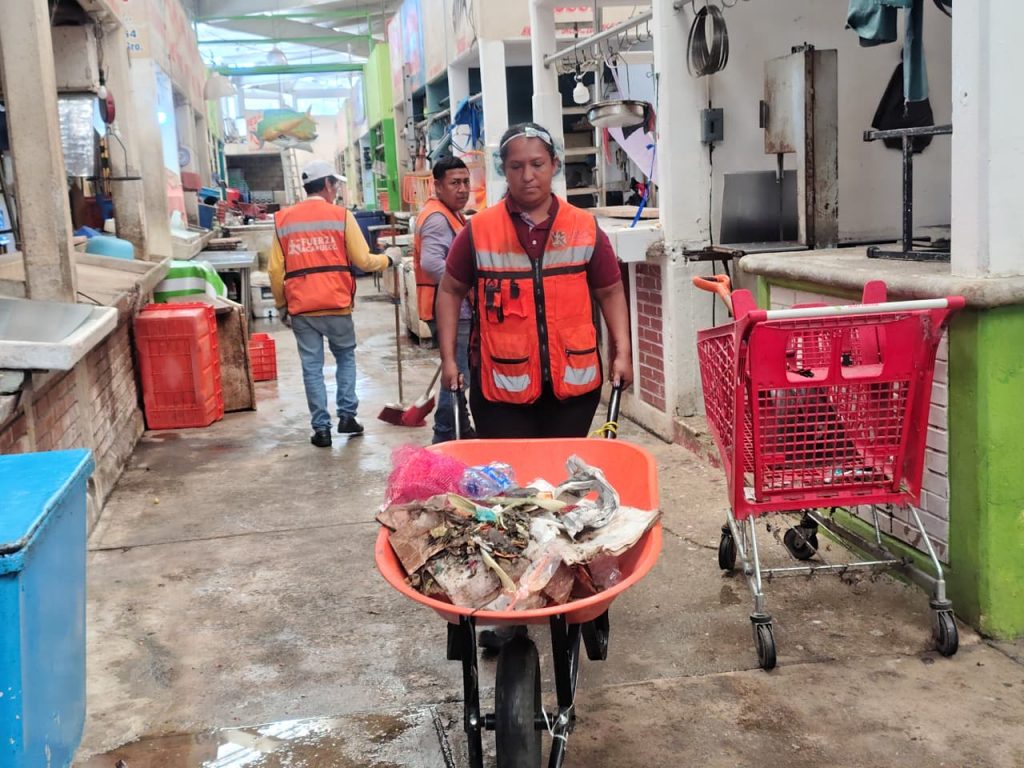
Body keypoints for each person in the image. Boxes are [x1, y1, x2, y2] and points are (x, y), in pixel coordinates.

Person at [434, 122, 633, 440]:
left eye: (537, 164)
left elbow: (610, 292)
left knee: (561, 469)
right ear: (503, 169)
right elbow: (449, 291)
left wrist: (622, 353)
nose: (527, 175)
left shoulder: (584, 227)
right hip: (499, 392)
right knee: (510, 472)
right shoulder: (479, 230)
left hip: (573, 391)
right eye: (516, 166)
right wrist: (448, 360)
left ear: (554, 165)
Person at [269, 160, 396, 448]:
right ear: (327, 184)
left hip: (302, 307)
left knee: (311, 367)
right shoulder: (341, 216)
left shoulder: (283, 220)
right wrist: (389, 259)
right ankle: (347, 416)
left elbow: (275, 270)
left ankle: (321, 429)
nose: (336, 189)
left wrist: (281, 305)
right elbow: (364, 261)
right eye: (335, 184)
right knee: (345, 358)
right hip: (336, 303)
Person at [413, 156, 474, 443]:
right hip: (451, 310)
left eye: (466, 182)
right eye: (455, 183)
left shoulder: (450, 213)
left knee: (460, 373)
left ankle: (462, 427)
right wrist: (462, 287)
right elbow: (431, 262)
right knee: (457, 376)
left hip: (454, 309)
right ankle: (445, 434)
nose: (462, 189)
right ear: (437, 186)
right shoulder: (438, 218)